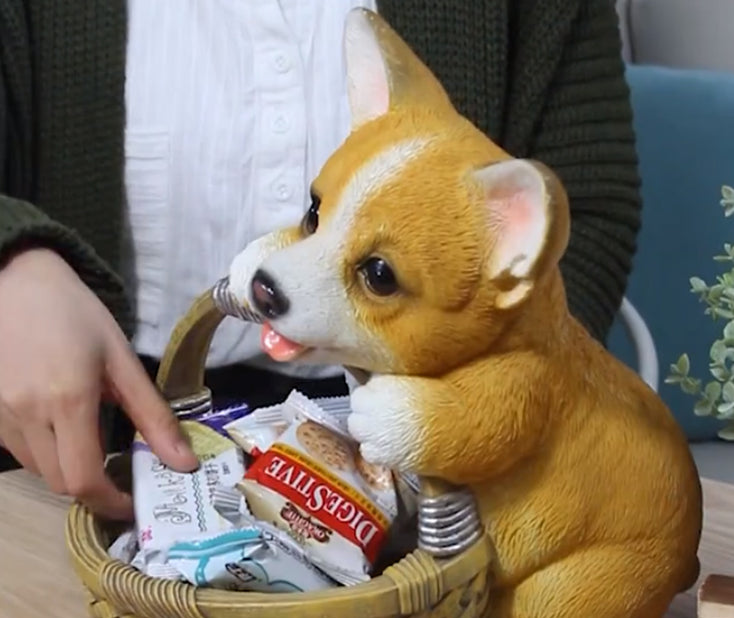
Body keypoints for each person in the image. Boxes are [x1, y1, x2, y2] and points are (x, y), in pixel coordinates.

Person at [0, 0, 641, 519]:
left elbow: (585, 211)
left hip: (437, 485)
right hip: (65, 461)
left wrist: (470, 426)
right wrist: (11, 258)